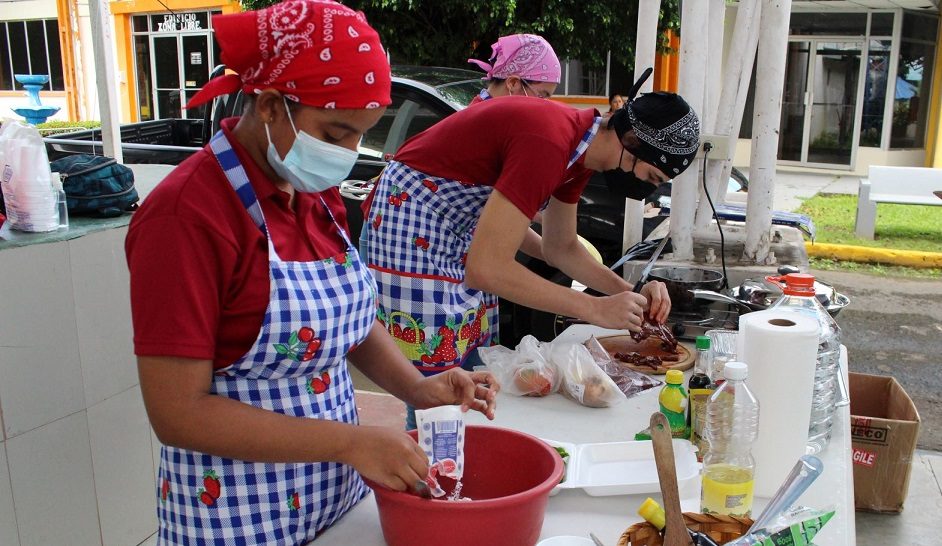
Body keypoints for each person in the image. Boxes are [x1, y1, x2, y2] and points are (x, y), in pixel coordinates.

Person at [125, 2, 497, 544]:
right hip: (236, 518)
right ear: (272, 106)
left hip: (333, 500)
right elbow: (177, 413)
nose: (348, 153)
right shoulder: (187, 216)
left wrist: (418, 389)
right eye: (337, 131)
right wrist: (350, 442)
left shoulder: (313, 194)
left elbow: (348, 322)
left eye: (361, 136)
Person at [362, 69, 699, 429]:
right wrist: (593, 307)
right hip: (411, 223)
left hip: (456, 233)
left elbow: (561, 247)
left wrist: (631, 295)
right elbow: (488, 269)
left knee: (474, 364)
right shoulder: (550, 141)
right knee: (437, 376)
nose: (644, 189)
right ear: (632, 141)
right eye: (650, 177)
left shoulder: (580, 150)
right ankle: (433, 460)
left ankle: (471, 448)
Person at [467, 33, 561, 103]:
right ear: (513, 83)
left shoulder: (494, 115)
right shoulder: (482, 122)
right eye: (541, 96)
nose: (544, 105)